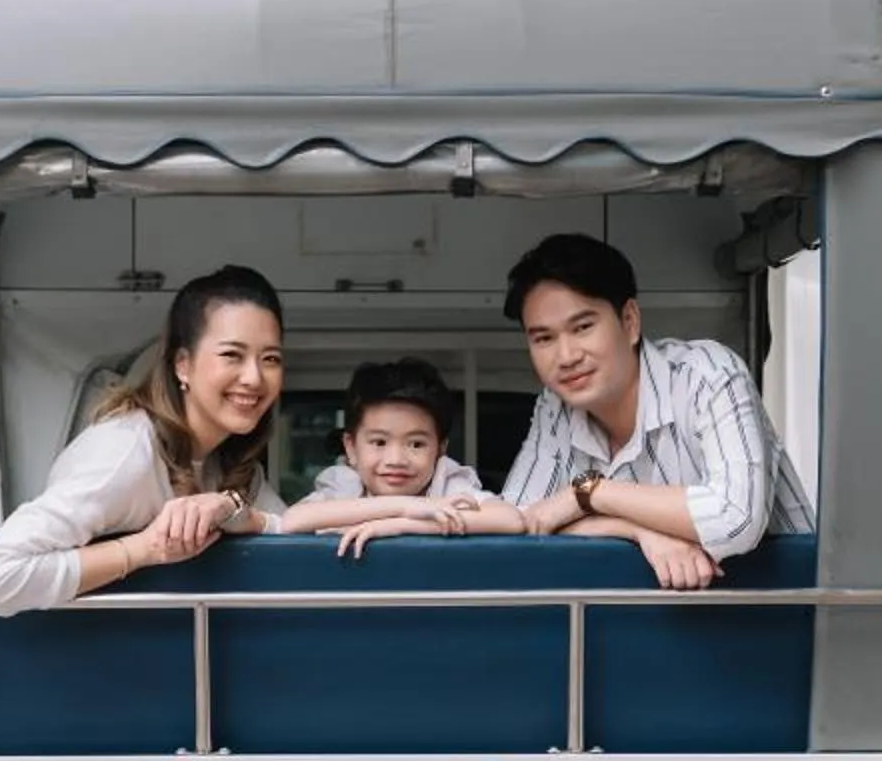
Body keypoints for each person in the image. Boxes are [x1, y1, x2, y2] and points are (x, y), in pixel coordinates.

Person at [0, 265, 290, 617]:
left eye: (270, 359)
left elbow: (292, 528)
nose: (254, 377)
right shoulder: (124, 451)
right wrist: (143, 549)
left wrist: (236, 510)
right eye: (232, 355)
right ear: (183, 365)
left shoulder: (232, 466)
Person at [495, 233, 814, 591]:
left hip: (788, 615)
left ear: (629, 321)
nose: (567, 356)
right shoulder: (556, 407)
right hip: (657, 627)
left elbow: (736, 520)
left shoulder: (707, 375)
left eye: (583, 327)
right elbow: (521, 525)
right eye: (544, 338)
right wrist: (636, 531)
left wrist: (587, 495)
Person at [278, 358, 530, 557]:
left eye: (416, 444)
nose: (396, 459)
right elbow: (292, 520)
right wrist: (408, 506)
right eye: (379, 442)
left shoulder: (447, 484)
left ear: (440, 450)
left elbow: (511, 520)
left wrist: (404, 524)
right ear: (351, 448)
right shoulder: (344, 485)